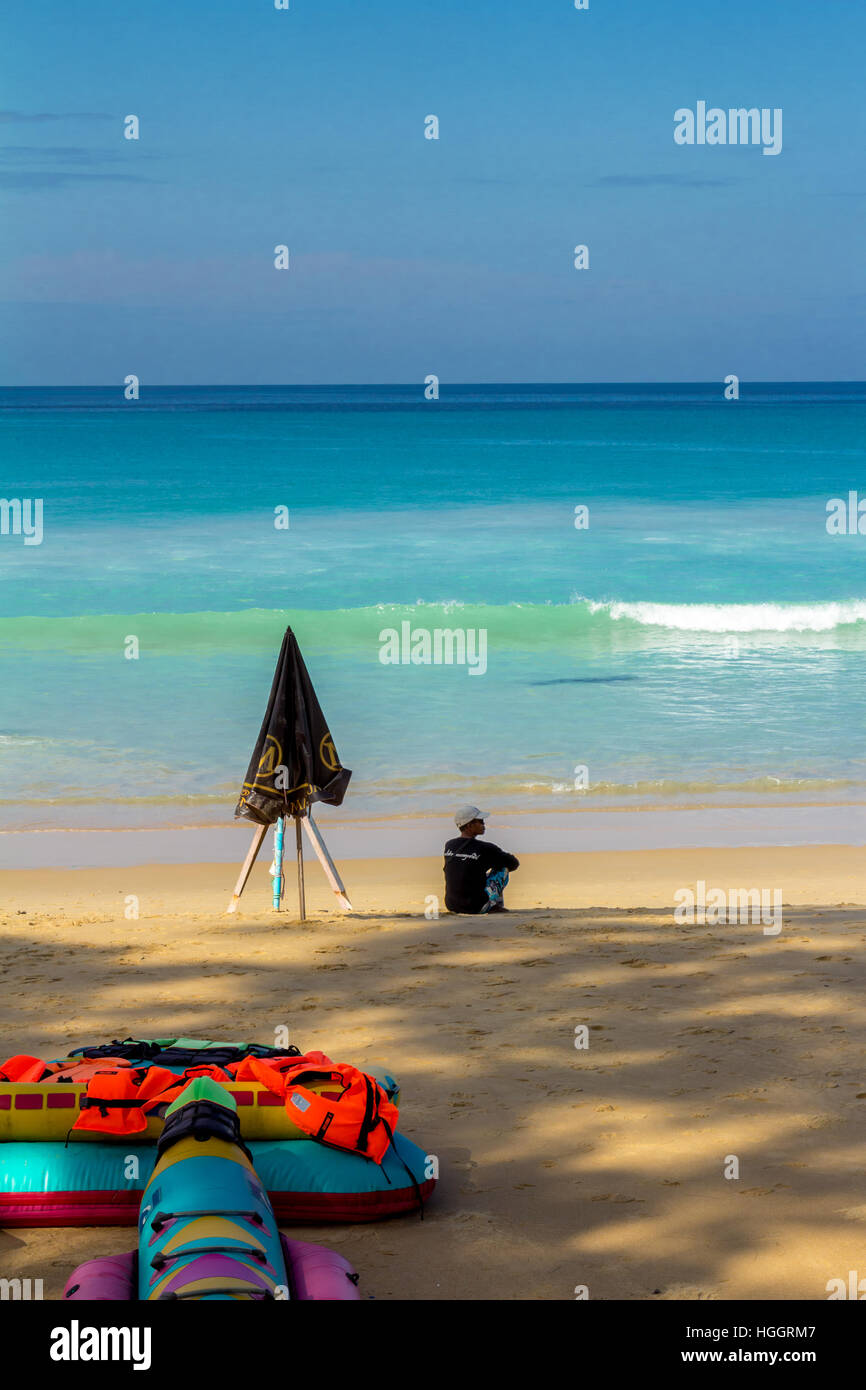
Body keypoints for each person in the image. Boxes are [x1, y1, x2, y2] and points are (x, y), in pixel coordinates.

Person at [443, 805, 519, 914]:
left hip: (452, 905)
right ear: (469, 825)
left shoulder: (449, 845)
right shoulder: (485, 848)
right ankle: (494, 905)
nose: (484, 824)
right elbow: (513, 863)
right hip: (476, 906)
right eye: (480, 821)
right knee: (502, 869)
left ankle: (489, 902)